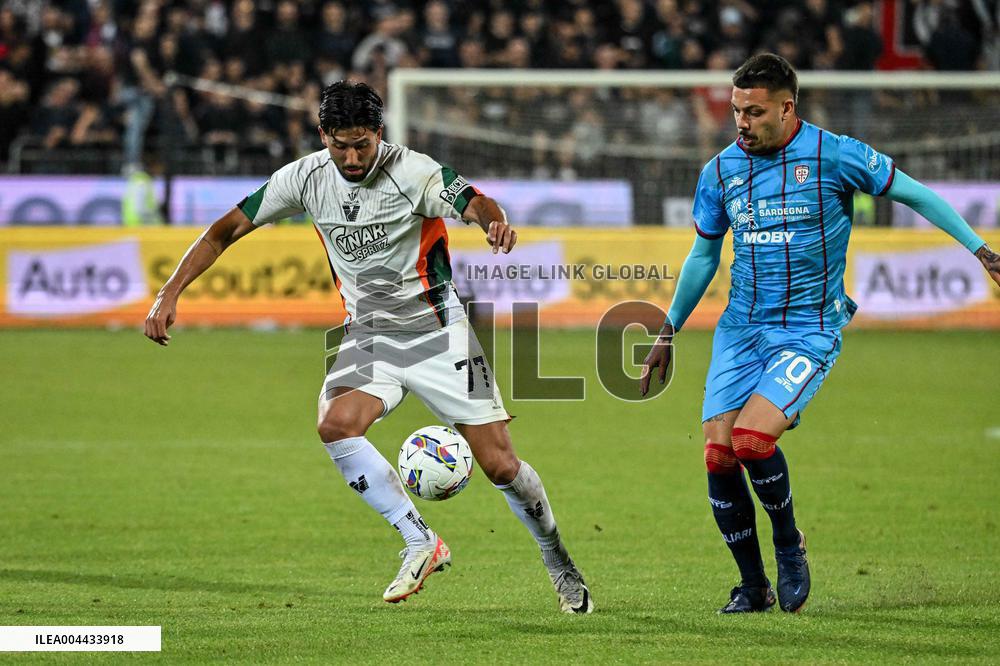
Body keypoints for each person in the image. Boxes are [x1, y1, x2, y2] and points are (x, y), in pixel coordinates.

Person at [144, 81, 593, 614]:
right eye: (340, 145)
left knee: (499, 465)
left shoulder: (414, 173)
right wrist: (170, 291)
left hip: (441, 331)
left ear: (380, 133)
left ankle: (557, 560)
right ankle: (420, 540)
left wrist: (491, 221)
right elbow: (224, 230)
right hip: (370, 334)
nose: (352, 157)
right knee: (335, 423)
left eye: (362, 143)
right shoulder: (305, 177)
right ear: (323, 136)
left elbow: (472, 200)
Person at [640, 54, 1000, 614]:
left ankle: (789, 546)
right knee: (717, 456)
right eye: (736, 111)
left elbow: (916, 194)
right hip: (740, 329)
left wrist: (979, 248)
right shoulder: (720, 171)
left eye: (754, 113)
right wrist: (668, 328)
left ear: (787, 108)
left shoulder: (836, 155)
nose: (741, 123)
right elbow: (703, 255)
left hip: (809, 330)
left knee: (753, 441)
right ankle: (752, 586)